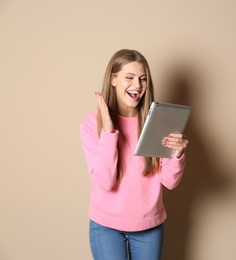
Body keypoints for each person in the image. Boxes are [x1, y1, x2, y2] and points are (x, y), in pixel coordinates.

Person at [80, 49, 189, 260]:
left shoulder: (159, 123)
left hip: (149, 226)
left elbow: (169, 181)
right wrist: (109, 133)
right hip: (105, 227)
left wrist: (177, 154)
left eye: (143, 79)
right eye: (129, 77)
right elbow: (104, 181)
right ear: (113, 79)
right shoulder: (91, 125)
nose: (137, 85)